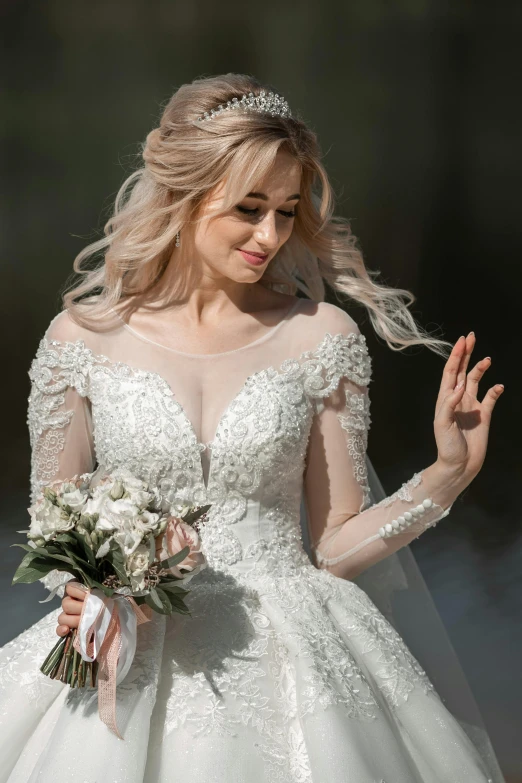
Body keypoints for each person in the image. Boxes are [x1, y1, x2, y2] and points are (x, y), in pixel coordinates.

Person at [0, 73, 505, 782]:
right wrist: (95, 592)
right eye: (249, 208)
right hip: (127, 649)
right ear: (185, 190)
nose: (270, 235)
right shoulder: (78, 340)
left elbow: (333, 546)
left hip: (296, 656)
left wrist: (447, 474)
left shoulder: (321, 336)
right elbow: (55, 538)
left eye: (287, 211)